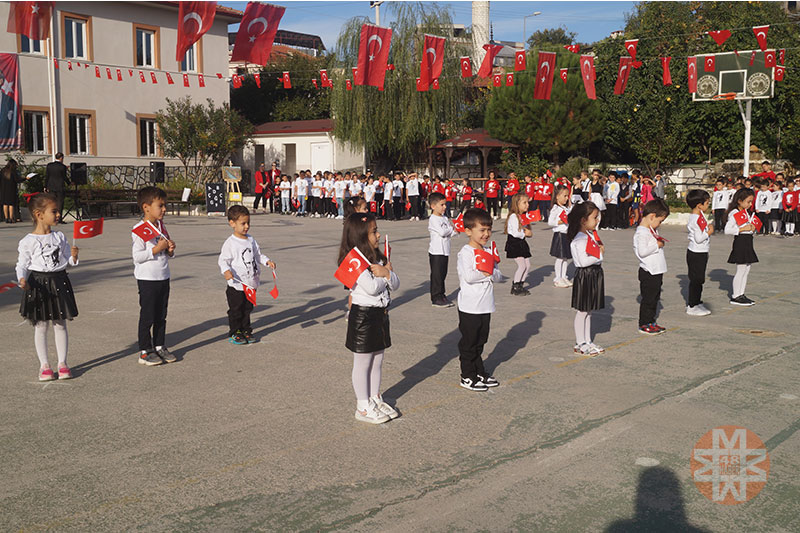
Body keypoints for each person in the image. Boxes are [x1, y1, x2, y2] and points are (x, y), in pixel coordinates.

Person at [340, 212, 399, 424]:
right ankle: (362, 405)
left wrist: (387, 273)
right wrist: (385, 275)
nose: (378, 235)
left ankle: (375, 398)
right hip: (363, 315)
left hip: (380, 314)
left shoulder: (378, 258)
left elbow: (396, 283)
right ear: (360, 235)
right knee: (363, 362)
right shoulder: (354, 261)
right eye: (374, 231)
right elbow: (372, 288)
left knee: (378, 360)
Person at [15, 193, 79, 381]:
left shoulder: (59, 236)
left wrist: (74, 256)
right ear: (39, 214)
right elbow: (22, 264)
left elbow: (67, 261)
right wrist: (22, 279)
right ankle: (44, 365)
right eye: (54, 211)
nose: (58, 214)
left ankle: (63, 363)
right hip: (38, 284)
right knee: (41, 325)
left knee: (60, 323)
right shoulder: (28, 241)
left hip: (59, 281)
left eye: (58, 211)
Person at [457, 208, 502, 391]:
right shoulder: (466, 253)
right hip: (470, 305)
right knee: (469, 342)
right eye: (481, 230)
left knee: (481, 341)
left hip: (485, 305)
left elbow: (498, 275)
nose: (486, 234)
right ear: (468, 231)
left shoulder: (488, 251)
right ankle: (467, 375)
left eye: (488, 230)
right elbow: (469, 276)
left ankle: (479, 371)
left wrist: (490, 272)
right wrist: (487, 273)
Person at [218, 205, 276, 345]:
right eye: (242, 223)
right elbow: (223, 260)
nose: (246, 226)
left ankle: (246, 330)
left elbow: (258, 255)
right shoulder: (230, 243)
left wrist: (267, 261)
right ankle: (235, 332)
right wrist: (226, 271)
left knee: (248, 308)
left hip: (251, 282)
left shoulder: (251, 240)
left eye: (248, 223)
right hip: (237, 284)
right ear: (232, 223)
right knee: (236, 309)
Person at [132, 186, 177, 366]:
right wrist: (155, 249)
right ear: (146, 207)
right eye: (161, 206)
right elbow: (137, 256)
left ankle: (159, 346)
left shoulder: (161, 226)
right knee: (148, 315)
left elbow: (166, 252)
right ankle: (145, 350)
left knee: (161, 315)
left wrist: (170, 250)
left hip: (163, 276)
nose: (164, 209)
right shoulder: (139, 228)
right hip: (147, 278)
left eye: (164, 205)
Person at [567, 202, 605, 356]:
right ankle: (580, 342)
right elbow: (582, 262)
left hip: (593, 274)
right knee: (582, 311)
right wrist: (600, 255)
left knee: (589, 311)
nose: (597, 221)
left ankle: (588, 341)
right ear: (583, 220)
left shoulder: (589, 235)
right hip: (585, 275)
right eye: (595, 218)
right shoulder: (579, 239)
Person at [634, 199, 670, 335]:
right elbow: (642, 252)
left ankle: (651, 321)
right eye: (660, 221)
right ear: (651, 217)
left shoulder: (650, 230)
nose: (659, 224)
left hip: (656, 270)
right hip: (649, 271)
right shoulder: (641, 232)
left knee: (655, 298)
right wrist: (657, 245)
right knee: (648, 299)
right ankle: (644, 323)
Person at [725, 188, 758, 306]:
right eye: (748, 201)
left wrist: (752, 229)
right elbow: (727, 230)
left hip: (748, 241)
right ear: (739, 201)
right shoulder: (734, 213)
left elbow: (749, 227)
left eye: (751, 202)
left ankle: (741, 293)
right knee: (741, 269)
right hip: (740, 242)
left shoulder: (746, 213)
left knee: (746, 270)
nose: (750, 204)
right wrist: (742, 229)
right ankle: (735, 296)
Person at [685, 190, 713, 317]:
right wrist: (709, 231)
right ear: (699, 205)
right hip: (696, 252)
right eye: (707, 203)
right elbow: (698, 238)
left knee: (700, 279)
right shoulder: (695, 219)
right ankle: (692, 305)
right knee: (696, 280)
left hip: (702, 251)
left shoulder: (699, 214)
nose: (708, 205)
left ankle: (697, 301)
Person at [427, 192, 456, 308]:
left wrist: (454, 229)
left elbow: (451, 232)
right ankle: (436, 297)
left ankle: (442, 293)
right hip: (436, 251)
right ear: (433, 206)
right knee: (437, 275)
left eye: (445, 204)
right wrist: (451, 229)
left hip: (445, 250)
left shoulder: (444, 218)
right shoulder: (433, 219)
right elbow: (443, 232)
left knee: (443, 273)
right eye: (442, 205)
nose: (444, 207)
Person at [504, 192, 532, 296]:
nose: (527, 205)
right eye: (524, 203)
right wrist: (525, 233)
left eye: (527, 202)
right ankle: (515, 286)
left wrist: (528, 231)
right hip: (515, 243)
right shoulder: (513, 217)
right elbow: (515, 232)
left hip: (521, 243)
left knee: (527, 265)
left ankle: (521, 284)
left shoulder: (522, 216)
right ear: (517, 204)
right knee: (522, 265)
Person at [548, 185, 573, 288]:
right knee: (560, 258)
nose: (566, 198)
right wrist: (561, 221)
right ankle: (557, 278)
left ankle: (563, 276)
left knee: (565, 258)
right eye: (565, 196)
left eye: (567, 196)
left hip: (566, 234)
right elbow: (550, 222)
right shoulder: (555, 208)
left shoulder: (565, 208)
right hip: (559, 235)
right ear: (557, 196)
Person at [44, 152, 69, 220]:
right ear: (61, 158)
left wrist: (45, 186)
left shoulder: (49, 165)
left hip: (51, 186)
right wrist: (69, 183)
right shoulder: (62, 167)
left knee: (52, 202)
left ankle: (51, 217)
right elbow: (64, 177)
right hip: (60, 187)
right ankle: (59, 218)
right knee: (60, 202)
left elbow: (47, 176)